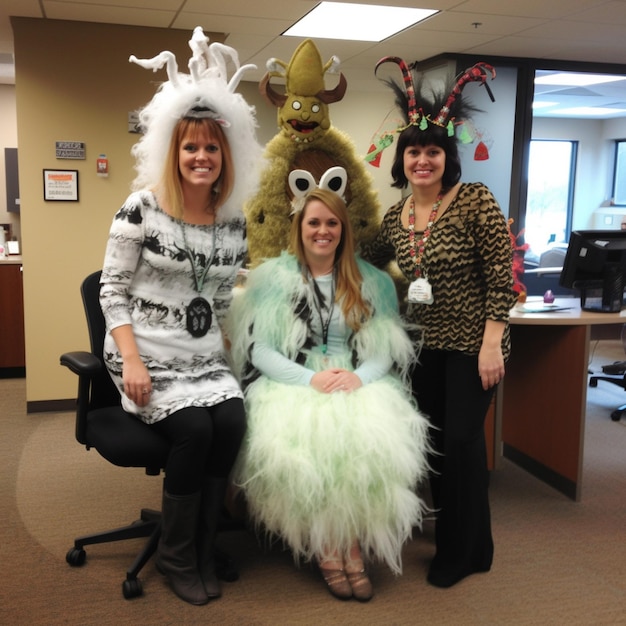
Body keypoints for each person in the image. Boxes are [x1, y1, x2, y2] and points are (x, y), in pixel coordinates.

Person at [99, 28, 261, 605]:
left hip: (198, 352)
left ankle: (202, 541)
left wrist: (220, 359)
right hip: (140, 350)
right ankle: (174, 557)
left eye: (212, 148)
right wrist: (135, 363)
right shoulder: (140, 208)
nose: (201, 157)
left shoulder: (233, 223)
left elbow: (217, 302)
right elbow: (111, 291)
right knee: (193, 429)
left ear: (226, 157)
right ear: (174, 152)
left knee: (233, 422)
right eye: (191, 147)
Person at [227, 173, 432, 602]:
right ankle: (326, 547)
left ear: (344, 229)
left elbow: (383, 349)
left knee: (366, 441)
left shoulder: (371, 281)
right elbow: (261, 349)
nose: (323, 231)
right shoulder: (275, 279)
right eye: (314, 223)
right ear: (299, 229)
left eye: (332, 224)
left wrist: (358, 378)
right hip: (293, 379)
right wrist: (309, 379)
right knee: (312, 444)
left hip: (353, 379)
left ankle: (352, 546)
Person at [362, 58, 517, 588]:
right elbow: (361, 254)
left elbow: (503, 275)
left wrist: (492, 343)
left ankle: (465, 551)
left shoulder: (474, 201)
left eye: (432, 151)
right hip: (421, 346)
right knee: (428, 444)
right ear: (401, 160)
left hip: (474, 346)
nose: (422, 160)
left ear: (447, 158)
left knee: (462, 444)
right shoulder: (396, 216)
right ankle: (462, 536)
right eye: (413, 151)